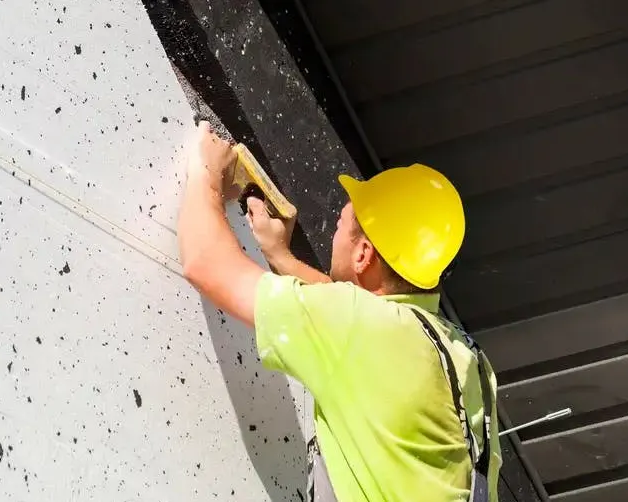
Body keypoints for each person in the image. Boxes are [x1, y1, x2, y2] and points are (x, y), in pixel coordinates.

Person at [177, 121, 501, 502]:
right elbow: (361, 326)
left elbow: (204, 261)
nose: (333, 232)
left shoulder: (358, 327)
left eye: (340, 224)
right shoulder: (467, 361)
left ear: (363, 255)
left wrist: (207, 171)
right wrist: (282, 257)